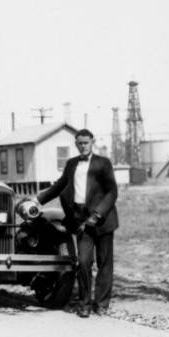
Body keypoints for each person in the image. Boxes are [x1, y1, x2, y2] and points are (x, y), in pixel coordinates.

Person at [36, 129, 118, 318]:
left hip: (103, 221)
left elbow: (112, 192)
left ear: (92, 142)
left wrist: (97, 214)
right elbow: (60, 185)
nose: (83, 146)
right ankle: (84, 303)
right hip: (81, 222)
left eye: (86, 143)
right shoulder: (71, 164)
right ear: (76, 144)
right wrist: (38, 200)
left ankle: (102, 304)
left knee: (104, 264)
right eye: (79, 143)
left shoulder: (103, 163)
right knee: (83, 263)